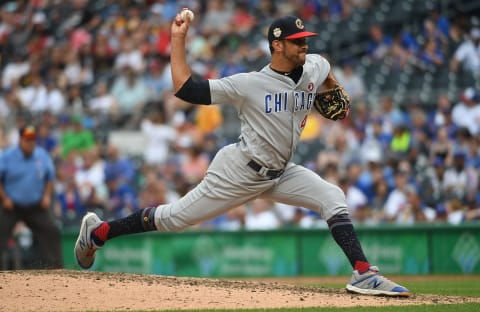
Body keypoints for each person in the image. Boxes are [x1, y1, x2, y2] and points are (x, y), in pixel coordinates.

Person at [74, 13, 410, 297]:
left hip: (281, 172)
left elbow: (326, 71)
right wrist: (178, 39)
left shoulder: (314, 66)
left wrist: (332, 87)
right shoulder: (248, 83)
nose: (304, 45)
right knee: (173, 219)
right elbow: (185, 88)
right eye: (297, 41)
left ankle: (363, 272)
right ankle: (99, 233)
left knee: (332, 196)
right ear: (277, 45)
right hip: (239, 171)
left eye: (306, 39)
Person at [0, 125, 62, 269]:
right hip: (11, 205)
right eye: (27, 140)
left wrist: (47, 196)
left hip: (35, 205)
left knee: (51, 231)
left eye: (33, 140)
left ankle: (57, 271)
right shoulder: (7, 156)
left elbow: (50, 178)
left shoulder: (42, 155)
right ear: (20, 140)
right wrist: (4, 199)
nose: (30, 143)